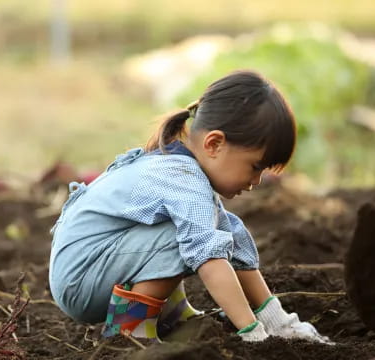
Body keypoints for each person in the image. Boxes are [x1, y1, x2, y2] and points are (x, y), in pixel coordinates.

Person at [49, 70, 332, 343]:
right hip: (80, 279)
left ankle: (173, 316)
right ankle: (130, 329)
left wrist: (278, 322)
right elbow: (210, 260)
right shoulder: (184, 179)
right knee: (184, 237)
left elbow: (235, 249)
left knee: (222, 228)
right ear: (215, 143)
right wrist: (251, 331)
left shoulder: (183, 171)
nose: (256, 181)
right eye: (255, 167)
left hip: (90, 268)